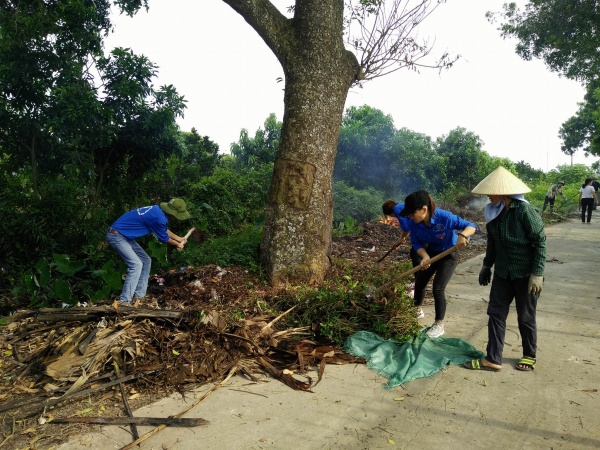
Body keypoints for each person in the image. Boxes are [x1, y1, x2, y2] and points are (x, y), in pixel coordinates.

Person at [465, 166, 546, 372]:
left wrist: (537, 274)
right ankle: (493, 358)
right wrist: (486, 265)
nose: (488, 196)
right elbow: (492, 244)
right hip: (502, 272)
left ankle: (529, 354)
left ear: (503, 193)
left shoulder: (524, 211)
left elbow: (541, 242)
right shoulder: (492, 214)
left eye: (491, 193)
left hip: (525, 273)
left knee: (525, 316)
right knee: (495, 313)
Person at [398, 190, 477, 337]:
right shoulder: (413, 223)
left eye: (412, 212)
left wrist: (463, 235)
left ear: (424, 209)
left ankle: (439, 324)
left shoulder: (444, 217)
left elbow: (470, 226)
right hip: (432, 251)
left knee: (438, 288)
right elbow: (416, 242)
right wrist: (425, 256)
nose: (410, 216)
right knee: (420, 281)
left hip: (449, 254)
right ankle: (417, 310)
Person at [106, 198, 191, 305]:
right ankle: (124, 302)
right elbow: (163, 238)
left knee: (146, 260)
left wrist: (179, 238)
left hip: (124, 236)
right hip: (116, 236)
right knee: (136, 264)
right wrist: (177, 244)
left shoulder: (157, 211)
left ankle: (139, 297)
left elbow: (163, 230)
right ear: (174, 213)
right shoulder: (158, 218)